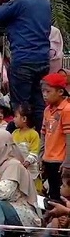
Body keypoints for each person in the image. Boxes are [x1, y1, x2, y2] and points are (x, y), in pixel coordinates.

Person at [0, 0, 52, 131]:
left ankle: (19, 143)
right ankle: (40, 140)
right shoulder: (46, 3)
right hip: (42, 60)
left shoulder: (19, 2)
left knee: (21, 106)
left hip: (23, 60)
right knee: (39, 104)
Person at [41, 72, 70, 200]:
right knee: (52, 194)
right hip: (48, 159)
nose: (44, 95)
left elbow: (69, 138)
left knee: (61, 196)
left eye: (48, 91)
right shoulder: (47, 110)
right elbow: (43, 134)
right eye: (43, 91)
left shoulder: (67, 109)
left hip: (60, 161)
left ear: (60, 92)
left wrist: (67, 162)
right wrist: (41, 156)